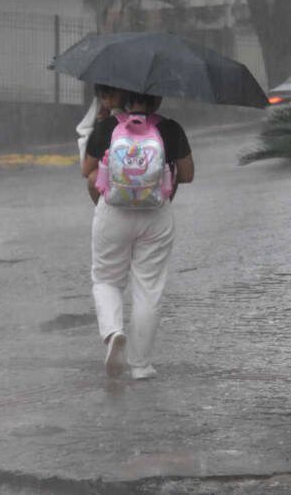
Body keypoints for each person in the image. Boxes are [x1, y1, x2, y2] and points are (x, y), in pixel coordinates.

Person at [82, 90, 194, 380]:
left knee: (106, 278)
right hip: (156, 215)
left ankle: (113, 333)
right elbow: (189, 173)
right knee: (148, 288)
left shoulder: (108, 127)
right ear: (158, 99)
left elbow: (87, 170)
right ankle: (141, 365)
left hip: (113, 212)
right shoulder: (170, 129)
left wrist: (102, 127)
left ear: (126, 97)